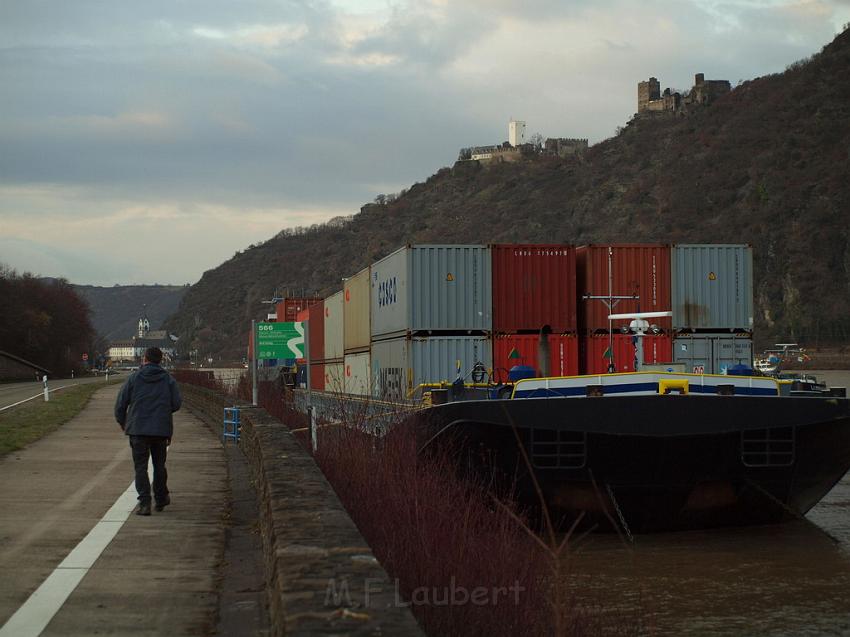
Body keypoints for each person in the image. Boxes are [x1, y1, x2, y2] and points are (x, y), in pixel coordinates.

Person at [114, 347, 181, 516]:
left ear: (144, 359)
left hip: (138, 429)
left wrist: (124, 422)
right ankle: (160, 498)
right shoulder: (168, 379)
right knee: (159, 465)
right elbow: (177, 403)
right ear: (160, 360)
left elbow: (121, 404)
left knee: (141, 467)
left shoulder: (134, 378)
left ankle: (145, 503)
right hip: (161, 430)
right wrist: (163, 412)